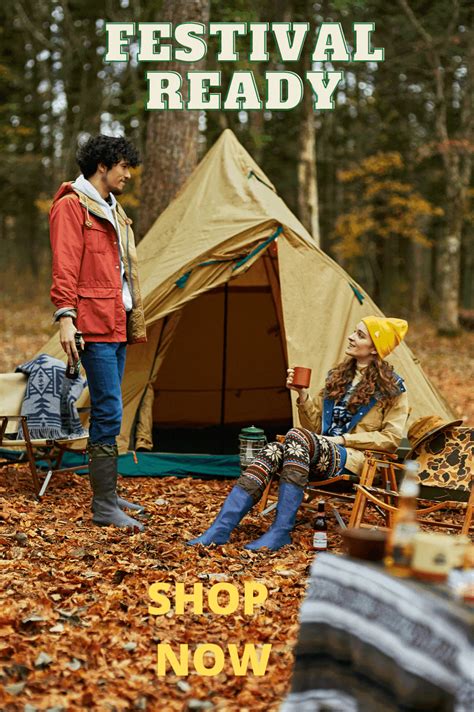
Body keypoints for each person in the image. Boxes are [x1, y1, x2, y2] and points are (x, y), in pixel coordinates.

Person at [187, 316, 409, 551]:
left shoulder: (393, 389)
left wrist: (342, 439)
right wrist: (301, 394)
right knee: (273, 449)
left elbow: (391, 439)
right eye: (354, 332)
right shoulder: (338, 377)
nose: (351, 337)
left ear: (375, 349)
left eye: (360, 335)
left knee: (296, 436)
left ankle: (281, 530)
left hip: (356, 460)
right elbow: (315, 429)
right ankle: (220, 529)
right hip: (318, 453)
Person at [49, 135, 147, 531]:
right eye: (123, 166)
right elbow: (65, 265)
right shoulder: (72, 207)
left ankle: (108, 494)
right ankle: (103, 505)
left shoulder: (112, 209)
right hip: (91, 321)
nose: (128, 174)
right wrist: (66, 318)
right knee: (108, 409)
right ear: (102, 166)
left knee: (111, 408)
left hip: (116, 319)